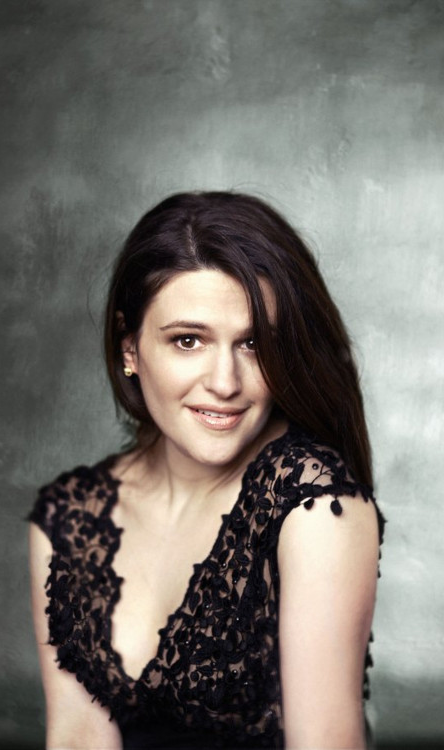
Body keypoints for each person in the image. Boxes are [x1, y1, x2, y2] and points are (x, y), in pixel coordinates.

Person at [29, 191, 385, 750]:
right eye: (188, 341)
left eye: (254, 343)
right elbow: (77, 736)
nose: (224, 382)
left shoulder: (316, 507)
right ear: (129, 346)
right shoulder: (70, 515)